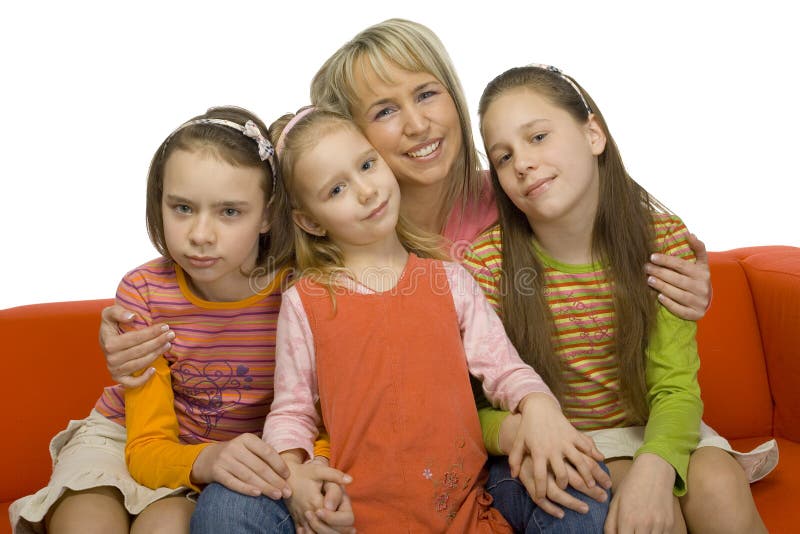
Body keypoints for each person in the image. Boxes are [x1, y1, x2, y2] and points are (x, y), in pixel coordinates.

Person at [97, 18, 711, 529]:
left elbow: (595, 217)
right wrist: (136, 330)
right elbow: (227, 265)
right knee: (230, 511)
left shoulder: (514, 195)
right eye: (385, 112)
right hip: (361, 467)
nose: (416, 125)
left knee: (581, 497)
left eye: (426, 94)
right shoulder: (303, 277)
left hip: (476, 458)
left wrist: (677, 268)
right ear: (308, 215)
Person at [261, 105, 609, 532]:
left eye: (368, 165)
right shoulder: (306, 301)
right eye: (336, 190)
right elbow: (292, 411)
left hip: (464, 510)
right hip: (357, 516)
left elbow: (503, 369)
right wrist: (292, 473)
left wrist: (539, 405)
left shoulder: (450, 280)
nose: (366, 191)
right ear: (309, 221)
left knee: (583, 489)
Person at [464, 64, 777, 534]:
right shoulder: (489, 264)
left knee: (718, 484)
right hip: (571, 440)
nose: (522, 162)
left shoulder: (659, 239)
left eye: (538, 137)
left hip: (656, 425)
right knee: (642, 510)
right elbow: (472, 408)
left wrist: (657, 465)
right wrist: (524, 432)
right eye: (503, 157)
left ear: (593, 134)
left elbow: (674, 390)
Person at [9, 106, 352, 534]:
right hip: (126, 441)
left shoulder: (299, 295)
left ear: (267, 214)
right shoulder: (145, 293)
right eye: (183, 208)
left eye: (230, 212)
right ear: (160, 202)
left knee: (165, 529)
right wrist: (206, 459)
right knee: (87, 526)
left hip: (226, 462)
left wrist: (311, 462)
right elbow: (146, 446)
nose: (200, 234)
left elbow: (325, 415)